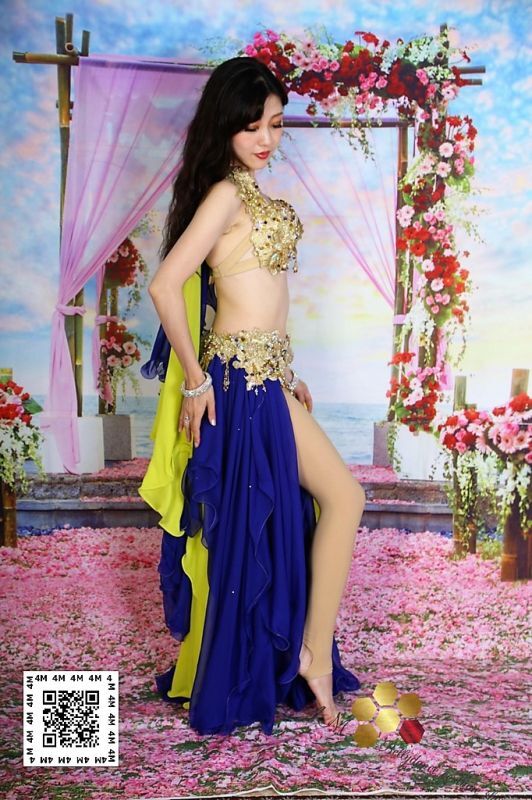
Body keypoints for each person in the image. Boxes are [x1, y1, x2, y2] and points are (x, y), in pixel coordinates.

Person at [139, 55, 366, 737]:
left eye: (276, 124)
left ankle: (304, 654)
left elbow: (261, 296)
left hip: (270, 379)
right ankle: (309, 657)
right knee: (342, 499)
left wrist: (288, 370)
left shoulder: (250, 193)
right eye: (252, 126)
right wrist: (197, 379)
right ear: (226, 127)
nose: (267, 138)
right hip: (240, 383)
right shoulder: (225, 195)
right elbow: (165, 285)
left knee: (317, 509)